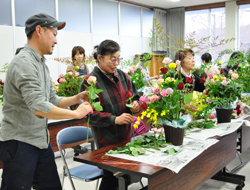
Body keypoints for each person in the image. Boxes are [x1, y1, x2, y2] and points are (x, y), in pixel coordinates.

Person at [0, 13, 93, 190]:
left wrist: (76, 98)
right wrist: (75, 113)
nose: (56, 41)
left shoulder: (40, 63)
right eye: (54, 34)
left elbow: (51, 99)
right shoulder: (24, 62)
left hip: (39, 141)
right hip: (19, 143)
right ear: (39, 31)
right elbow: (38, 107)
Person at [80, 39, 140, 190]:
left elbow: (136, 96)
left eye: (118, 59)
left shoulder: (123, 76)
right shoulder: (90, 82)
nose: (116, 63)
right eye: (112, 59)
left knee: (124, 176)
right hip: (107, 140)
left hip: (126, 136)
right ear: (99, 58)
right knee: (111, 178)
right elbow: (89, 115)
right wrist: (115, 119)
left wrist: (136, 105)